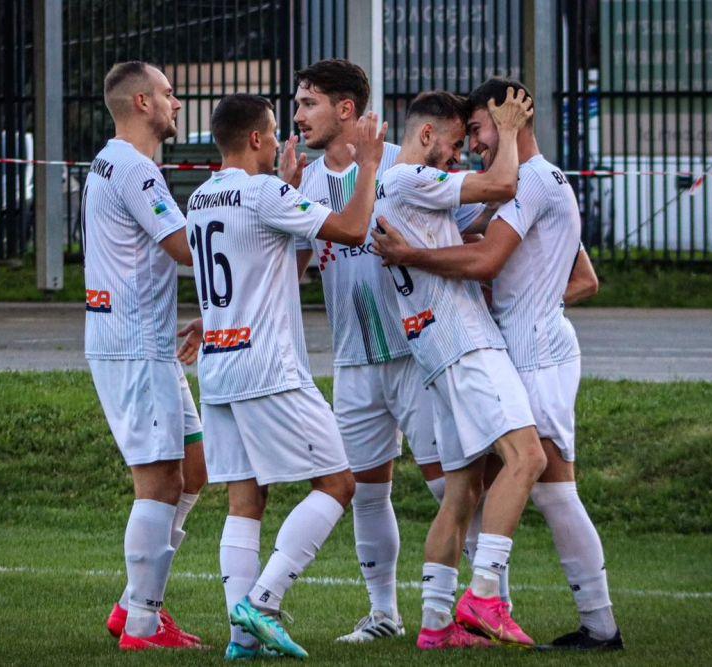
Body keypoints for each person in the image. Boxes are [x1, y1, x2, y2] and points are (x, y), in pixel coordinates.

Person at [373, 77, 623, 652]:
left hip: (529, 353)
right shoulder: (515, 183)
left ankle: (590, 622)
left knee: (547, 485)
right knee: (473, 488)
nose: (474, 145)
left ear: (511, 120)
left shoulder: (527, 180)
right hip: (489, 348)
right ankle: (451, 619)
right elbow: (574, 274)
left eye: (480, 129)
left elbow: (492, 260)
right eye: (466, 135)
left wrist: (416, 256)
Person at [186, 93, 386, 660]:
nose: (280, 141)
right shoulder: (263, 193)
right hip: (268, 367)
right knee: (339, 483)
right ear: (256, 139)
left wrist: (288, 187)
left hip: (218, 366)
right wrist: (370, 165)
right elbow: (353, 229)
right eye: (274, 132)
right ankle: (263, 600)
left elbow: (263, 256)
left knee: (246, 500)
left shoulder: (199, 198)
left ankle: (241, 640)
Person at [285, 58, 478, 643]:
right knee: (368, 492)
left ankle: (488, 602)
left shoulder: (401, 162)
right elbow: (291, 268)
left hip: (418, 354)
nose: (298, 116)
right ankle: (384, 615)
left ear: (346, 109)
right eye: (298, 104)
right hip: (353, 361)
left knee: (448, 485)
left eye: (308, 104)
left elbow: (474, 218)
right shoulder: (307, 182)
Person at [370, 89, 543, 651]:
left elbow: (482, 213)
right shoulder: (407, 179)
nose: (458, 155)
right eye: (452, 144)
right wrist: (509, 129)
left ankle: (436, 623)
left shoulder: (405, 190)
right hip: (463, 341)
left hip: (434, 350)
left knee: (463, 491)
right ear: (425, 136)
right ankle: (485, 595)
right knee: (527, 457)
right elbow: (502, 186)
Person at [81, 61, 207, 652]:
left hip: (146, 343)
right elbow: (185, 247)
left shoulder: (113, 162)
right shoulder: (135, 168)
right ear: (141, 102)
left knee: (195, 468)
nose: (175, 103)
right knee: (158, 482)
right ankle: (143, 626)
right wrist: (254, 219)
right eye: (167, 93)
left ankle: (134, 603)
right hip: (134, 346)